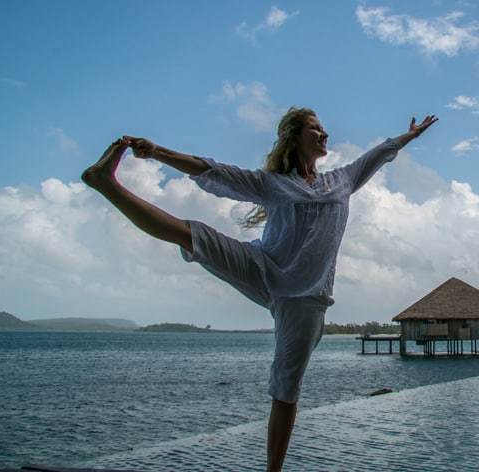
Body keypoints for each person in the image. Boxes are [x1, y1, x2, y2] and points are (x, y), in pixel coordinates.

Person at [81, 107, 437, 471]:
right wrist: (157, 152)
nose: (325, 133)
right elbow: (212, 171)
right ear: (294, 137)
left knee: (286, 390)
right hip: (262, 267)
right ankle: (106, 183)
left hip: (307, 299)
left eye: (323, 127)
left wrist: (409, 136)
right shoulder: (272, 184)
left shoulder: (343, 180)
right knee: (193, 235)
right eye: (315, 129)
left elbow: (379, 153)